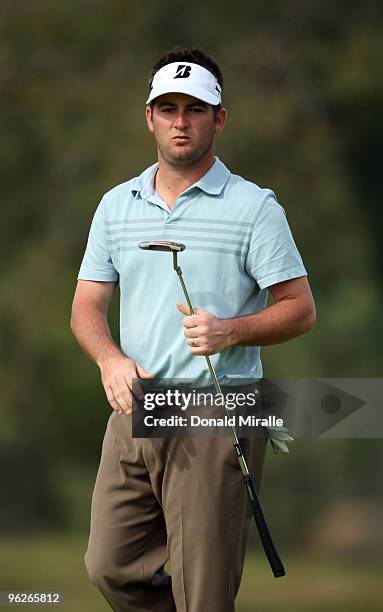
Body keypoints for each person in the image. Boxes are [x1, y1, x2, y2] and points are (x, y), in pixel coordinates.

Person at [71, 46, 316, 612]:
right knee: (109, 567)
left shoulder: (255, 208)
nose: (181, 121)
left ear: (219, 119)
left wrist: (230, 331)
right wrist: (110, 359)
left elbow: (300, 308)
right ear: (150, 116)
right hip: (138, 408)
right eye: (169, 108)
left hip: (217, 412)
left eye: (196, 109)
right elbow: (86, 307)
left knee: (202, 592)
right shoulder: (116, 206)